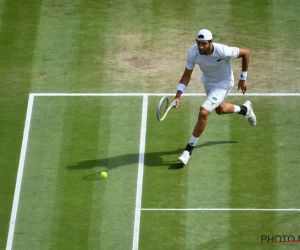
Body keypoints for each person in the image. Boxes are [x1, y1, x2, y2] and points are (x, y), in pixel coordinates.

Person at [172, 29, 256, 165]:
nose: (200, 47)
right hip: (209, 83)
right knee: (220, 109)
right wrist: (178, 96)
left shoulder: (222, 51)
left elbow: (246, 53)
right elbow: (186, 75)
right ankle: (245, 110)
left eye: (204, 44)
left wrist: (243, 78)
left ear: (211, 42)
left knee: (204, 112)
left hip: (223, 84)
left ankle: (188, 150)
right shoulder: (193, 52)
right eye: (198, 43)